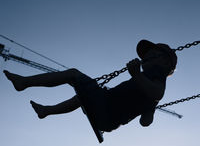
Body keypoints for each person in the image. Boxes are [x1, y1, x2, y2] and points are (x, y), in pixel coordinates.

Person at [3, 40, 177, 132]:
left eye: (150, 54)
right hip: (106, 110)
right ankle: (46, 111)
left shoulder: (157, 76)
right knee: (82, 96)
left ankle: (23, 82)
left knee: (73, 74)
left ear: (164, 61)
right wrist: (148, 111)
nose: (145, 57)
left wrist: (137, 75)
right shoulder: (148, 80)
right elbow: (145, 122)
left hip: (108, 112)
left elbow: (157, 94)